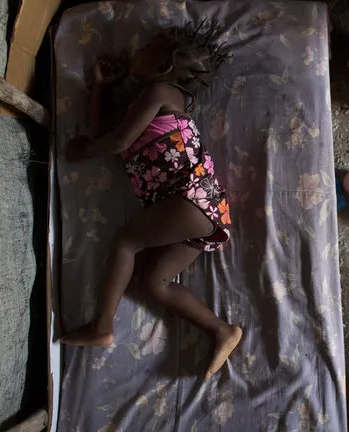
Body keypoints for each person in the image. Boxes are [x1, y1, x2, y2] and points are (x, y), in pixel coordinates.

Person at [62, 22, 242, 381]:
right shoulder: (143, 100)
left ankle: (102, 325)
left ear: (162, 66)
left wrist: (82, 152)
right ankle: (222, 330)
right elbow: (110, 135)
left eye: (145, 47)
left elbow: (112, 143)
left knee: (127, 242)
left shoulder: (159, 92)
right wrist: (100, 89)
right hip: (201, 208)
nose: (135, 50)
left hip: (189, 198)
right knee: (153, 283)